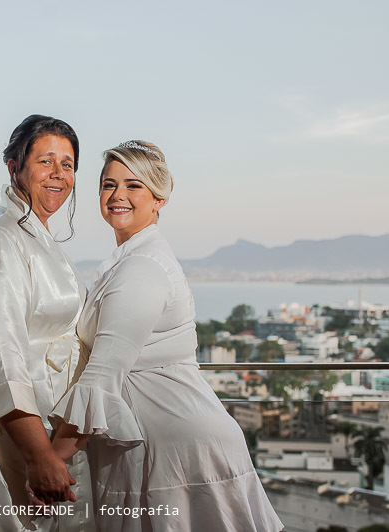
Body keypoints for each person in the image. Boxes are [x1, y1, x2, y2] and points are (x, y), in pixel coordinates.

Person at [49, 141, 284, 531]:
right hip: (163, 436)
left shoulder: (142, 267)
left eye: (133, 185)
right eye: (108, 185)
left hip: (173, 446)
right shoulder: (133, 258)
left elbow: (102, 378)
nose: (117, 195)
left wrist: (49, 461)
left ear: (159, 198)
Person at [0, 115, 93, 531]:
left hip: (42, 414)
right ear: (13, 166)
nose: (59, 174)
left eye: (68, 164)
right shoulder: (0, 240)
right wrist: (38, 456)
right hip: (7, 427)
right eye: (46, 161)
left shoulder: (35, 236)